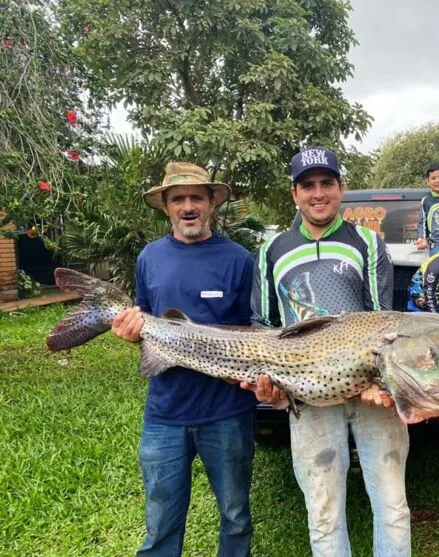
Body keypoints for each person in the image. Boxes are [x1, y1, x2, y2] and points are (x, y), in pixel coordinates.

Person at [244, 146, 411, 557]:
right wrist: (270, 385)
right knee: (323, 512)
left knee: (391, 506)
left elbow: (382, 323)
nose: (318, 193)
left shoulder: (368, 244)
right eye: (308, 185)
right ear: (294, 194)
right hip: (308, 398)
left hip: (372, 397)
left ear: (340, 188)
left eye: (326, 183)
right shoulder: (271, 250)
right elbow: (263, 327)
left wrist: (383, 382)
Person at [110, 162, 257, 557]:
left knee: (236, 515)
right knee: (160, 523)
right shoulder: (150, 258)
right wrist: (130, 332)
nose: (188, 206)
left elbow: (254, 329)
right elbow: (147, 321)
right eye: (178, 198)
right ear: (166, 207)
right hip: (164, 412)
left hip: (227, 411)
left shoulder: (240, 260)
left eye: (196, 197)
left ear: (211, 203)